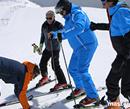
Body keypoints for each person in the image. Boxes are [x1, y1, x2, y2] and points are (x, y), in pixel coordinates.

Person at [48, 0, 100, 106]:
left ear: (66, 9)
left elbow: (79, 28)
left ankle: (93, 96)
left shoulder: (78, 14)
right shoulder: (68, 19)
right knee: (72, 69)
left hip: (87, 46)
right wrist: (55, 34)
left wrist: (61, 36)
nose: (60, 15)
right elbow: (66, 30)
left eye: (61, 12)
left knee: (82, 70)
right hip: (78, 48)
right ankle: (81, 88)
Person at [90, 0, 130, 108]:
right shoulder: (116, 12)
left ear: (111, 1)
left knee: (125, 87)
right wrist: (96, 26)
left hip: (126, 55)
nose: (102, 3)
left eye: (104, 0)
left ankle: (114, 106)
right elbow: (113, 26)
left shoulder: (121, 12)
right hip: (124, 54)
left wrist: (125, 57)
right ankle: (115, 106)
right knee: (112, 82)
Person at [33, 10, 67, 91]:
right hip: (47, 48)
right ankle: (45, 77)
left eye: (50, 18)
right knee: (42, 63)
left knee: (55, 65)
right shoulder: (44, 25)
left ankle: (63, 82)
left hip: (55, 49)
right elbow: (42, 37)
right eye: (47, 18)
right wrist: (40, 47)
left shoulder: (58, 25)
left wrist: (56, 34)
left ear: (54, 17)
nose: (48, 20)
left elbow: (64, 31)